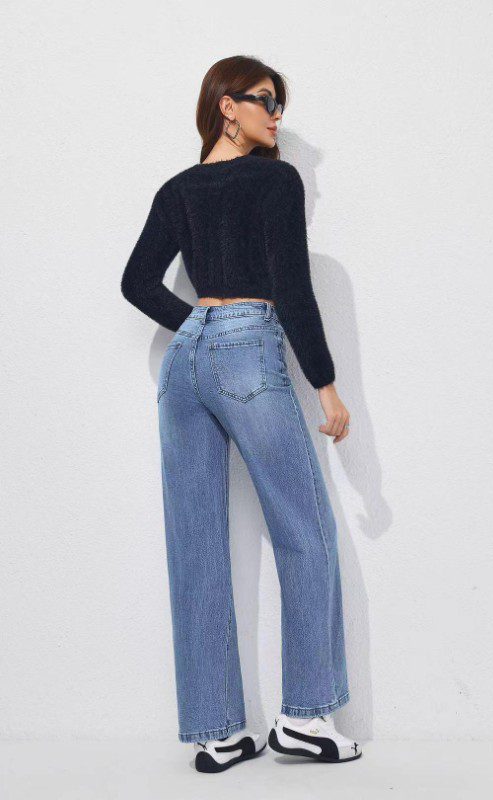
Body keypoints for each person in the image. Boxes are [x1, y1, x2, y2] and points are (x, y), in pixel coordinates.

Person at [120, 55, 362, 773]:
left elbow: (136, 282)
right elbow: (291, 284)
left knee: (194, 543)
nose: (276, 114)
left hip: (185, 365)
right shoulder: (274, 180)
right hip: (248, 349)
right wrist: (325, 385)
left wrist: (196, 323)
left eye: (280, 104)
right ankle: (306, 717)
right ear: (226, 106)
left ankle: (216, 732)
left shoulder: (177, 189)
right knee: (305, 530)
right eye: (265, 100)